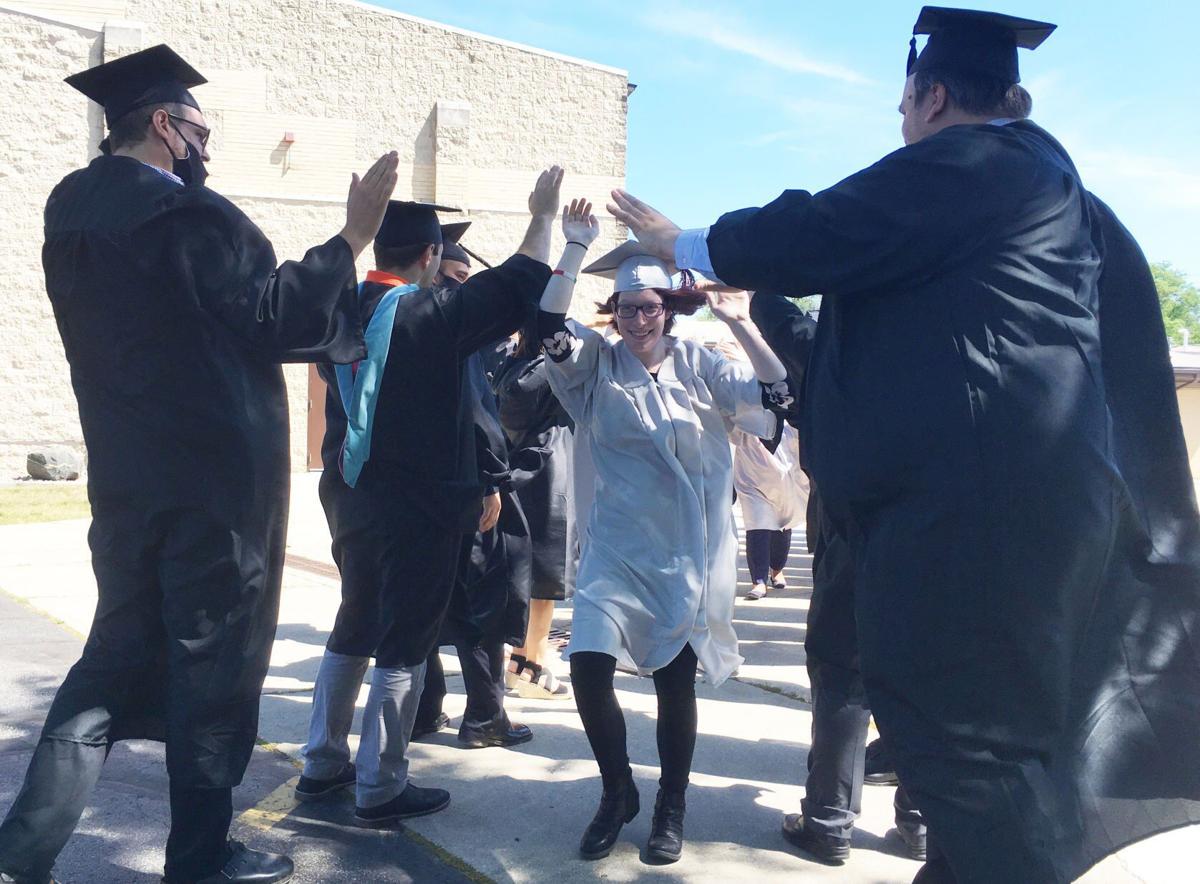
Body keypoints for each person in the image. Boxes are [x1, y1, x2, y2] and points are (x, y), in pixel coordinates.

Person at [609, 7, 1200, 882]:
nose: (901, 125)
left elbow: (823, 230)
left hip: (981, 519)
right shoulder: (1053, 191)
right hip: (1019, 507)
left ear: (929, 98)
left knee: (974, 753)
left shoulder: (979, 163)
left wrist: (681, 242)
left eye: (903, 106)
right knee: (982, 756)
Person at [0, 45, 397, 884]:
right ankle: (201, 855)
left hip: (125, 483)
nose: (204, 145)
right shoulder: (190, 215)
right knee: (213, 670)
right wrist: (351, 237)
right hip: (214, 495)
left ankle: (21, 852)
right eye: (199, 128)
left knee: (108, 664)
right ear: (163, 125)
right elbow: (279, 318)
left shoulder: (68, 211)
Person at [295, 171, 562, 828]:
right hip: (420, 508)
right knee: (406, 640)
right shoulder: (433, 315)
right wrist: (544, 213)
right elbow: (523, 277)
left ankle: (323, 761)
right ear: (429, 257)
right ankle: (381, 783)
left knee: (354, 620)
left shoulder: (341, 310)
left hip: (351, 499)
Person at [538, 203, 793, 864]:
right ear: (614, 313)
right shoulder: (596, 367)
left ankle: (670, 806)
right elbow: (547, 330)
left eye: (650, 307)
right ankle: (616, 790)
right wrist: (571, 248)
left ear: (669, 308)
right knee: (588, 669)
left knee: (674, 687)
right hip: (615, 552)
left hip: (687, 556)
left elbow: (777, 400)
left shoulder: (702, 365)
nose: (638, 320)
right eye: (626, 309)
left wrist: (742, 322)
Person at [412, 223, 536, 747]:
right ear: (428, 264)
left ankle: (421, 712)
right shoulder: (450, 335)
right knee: (481, 604)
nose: (461, 290)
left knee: (420, 604)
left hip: (409, 497)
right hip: (463, 490)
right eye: (453, 277)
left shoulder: (377, 321)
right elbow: (478, 415)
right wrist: (491, 480)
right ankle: (485, 718)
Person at [493, 317, 579, 700]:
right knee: (544, 576)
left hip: (522, 468)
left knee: (526, 575)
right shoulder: (546, 370)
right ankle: (532, 664)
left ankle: (519, 660)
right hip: (549, 472)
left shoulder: (509, 365)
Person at [726, 392, 808, 600]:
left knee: (782, 525)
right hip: (753, 480)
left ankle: (777, 569)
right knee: (757, 526)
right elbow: (730, 432)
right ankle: (759, 581)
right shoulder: (746, 414)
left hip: (784, 481)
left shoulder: (790, 419)